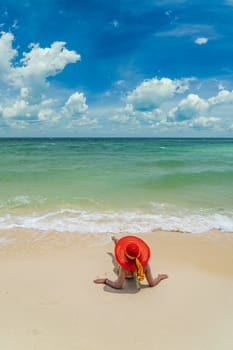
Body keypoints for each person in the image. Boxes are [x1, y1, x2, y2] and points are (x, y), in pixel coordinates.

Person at [94, 235, 168, 290]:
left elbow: (118, 285)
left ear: (125, 256)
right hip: (132, 270)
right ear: (140, 254)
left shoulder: (124, 267)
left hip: (123, 268)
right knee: (120, 248)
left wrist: (105, 281)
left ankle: (115, 239)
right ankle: (115, 239)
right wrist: (160, 277)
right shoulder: (145, 265)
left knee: (118, 253)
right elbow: (152, 283)